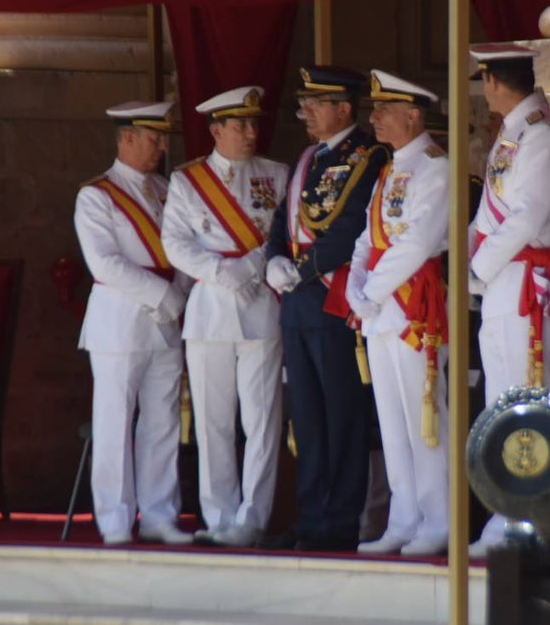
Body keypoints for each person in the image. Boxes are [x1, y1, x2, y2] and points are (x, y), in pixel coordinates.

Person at [263, 66, 389, 552]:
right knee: (308, 420)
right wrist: (274, 258)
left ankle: (339, 521)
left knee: (341, 417)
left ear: (343, 107)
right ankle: (310, 516)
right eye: (304, 104)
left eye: (315, 105)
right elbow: (283, 217)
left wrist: (304, 268)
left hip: (335, 304)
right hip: (297, 308)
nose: (306, 114)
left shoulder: (369, 155)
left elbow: (353, 227)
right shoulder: (308, 157)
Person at [161, 86, 288, 548]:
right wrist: (219, 271)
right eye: (240, 125)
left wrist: (249, 267)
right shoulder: (187, 181)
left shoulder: (277, 174)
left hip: (260, 308)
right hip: (211, 311)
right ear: (216, 130)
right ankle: (218, 517)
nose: (251, 133)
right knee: (212, 421)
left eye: (253, 124)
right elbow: (174, 242)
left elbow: (283, 236)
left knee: (262, 420)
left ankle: (253, 517)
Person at [467, 43, 550, 556]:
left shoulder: (541, 135)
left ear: (491, 80)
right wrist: (474, 260)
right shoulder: (514, 132)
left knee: (528, 403)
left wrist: (477, 267)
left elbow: (528, 217)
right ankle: (506, 517)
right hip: (502, 282)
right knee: (500, 405)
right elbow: (490, 215)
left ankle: (535, 520)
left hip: (524, 280)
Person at [74, 101, 193, 546]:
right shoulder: (96, 195)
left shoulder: (167, 190)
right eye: (153, 138)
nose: (161, 147)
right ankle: (115, 519)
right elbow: (105, 263)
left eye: (163, 138)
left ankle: (160, 515)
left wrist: (178, 293)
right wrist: (166, 294)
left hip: (165, 322)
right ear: (126, 138)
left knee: (162, 420)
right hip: (121, 323)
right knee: (114, 421)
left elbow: (181, 247)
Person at [346, 70, 450, 557]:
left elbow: (419, 241)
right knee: (392, 419)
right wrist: (355, 286)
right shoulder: (388, 167)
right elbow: (368, 237)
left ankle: (438, 519)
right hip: (381, 308)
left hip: (413, 306)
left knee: (424, 416)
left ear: (413, 115)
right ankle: (403, 517)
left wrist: (372, 291)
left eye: (384, 110)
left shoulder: (436, 166)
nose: (375, 118)